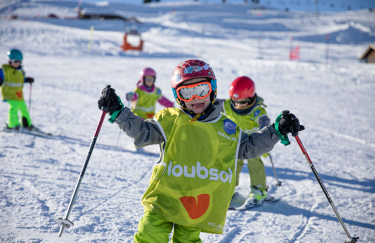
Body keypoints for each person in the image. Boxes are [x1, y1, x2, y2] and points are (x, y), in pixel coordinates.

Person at [98, 59, 304, 242]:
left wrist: (275, 131)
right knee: (150, 234)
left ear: (212, 89)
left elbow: (248, 147)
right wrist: (118, 111)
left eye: (202, 89)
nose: (195, 97)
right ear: (178, 96)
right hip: (164, 198)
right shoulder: (171, 119)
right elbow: (143, 133)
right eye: (186, 92)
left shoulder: (226, 127)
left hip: (196, 204)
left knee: (187, 239)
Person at [218, 76, 272, 205]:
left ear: (251, 97)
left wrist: (264, 129)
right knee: (232, 163)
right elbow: (212, 103)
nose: (238, 105)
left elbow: (263, 120)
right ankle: (228, 188)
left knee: (255, 163)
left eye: (242, 102)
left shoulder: (256, 110)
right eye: (235, 101)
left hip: (253, 143)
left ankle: (259, 190)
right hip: (236, 143)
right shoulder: (227, 106)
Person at [0, 49, 35, 131]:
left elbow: (20, 80)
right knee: (14, 107)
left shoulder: (21, 71)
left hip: (18, 94)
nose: (17, 64)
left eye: (19, 62)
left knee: (23, 108)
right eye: (15, 61)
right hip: (8, 93)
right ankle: (13, 125)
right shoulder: (4, 70)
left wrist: (27, 80)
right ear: (10, 60)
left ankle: (27, 124)